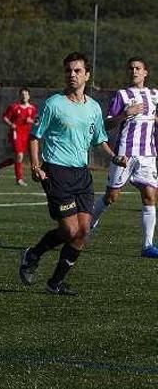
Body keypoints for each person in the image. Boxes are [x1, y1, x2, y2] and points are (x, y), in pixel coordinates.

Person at [19, 52, 124, 296]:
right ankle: (32, 255)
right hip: (56, 172)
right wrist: (35, 166)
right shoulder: (53, 104)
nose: (72, 75)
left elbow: (99, 139)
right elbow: (35, 137)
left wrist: (114, 156)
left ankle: (54, 283)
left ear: (87, 75)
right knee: (69, 231)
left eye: (77, 71)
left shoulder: (94, 108)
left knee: (83, 233)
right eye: (68, 71)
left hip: (81, 174)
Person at [89, 57, 158, 258]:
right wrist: (124, 114)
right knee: (111, 197)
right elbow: (107, 124)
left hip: (147, 155)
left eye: (138, 68)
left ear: (146, 72)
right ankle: (89, 225)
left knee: (150, 196)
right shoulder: (122, 95)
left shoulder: (155, 95)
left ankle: (147, 246)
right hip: (124, 154)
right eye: (131, 68)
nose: (134, 71)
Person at [0, 88, 38, 186]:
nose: (24, 96)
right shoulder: (14, 107)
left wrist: (33, 121)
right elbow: (5, 117)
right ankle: (19, 179)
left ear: (29, 96)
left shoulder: (32, 108)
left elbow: (36, 121)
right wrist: (10, 124)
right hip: (16, 133)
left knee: (17, 158)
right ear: (19, 96)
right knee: (19, 155)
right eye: (22, 94)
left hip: (27, 134)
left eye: (26, 94)